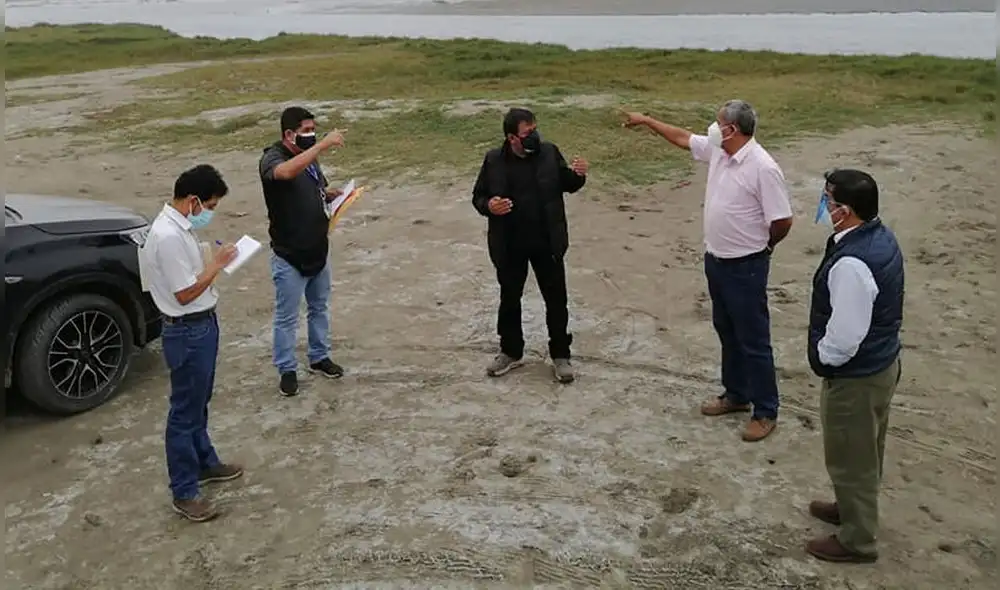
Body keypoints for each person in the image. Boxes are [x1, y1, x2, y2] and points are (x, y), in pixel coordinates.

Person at [623, 100, 793, 442]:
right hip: (716, 260)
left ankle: (765, 411)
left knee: (753, 339)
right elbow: (682, 138)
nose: (712, 128)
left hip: (746, 266)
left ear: (732, 129)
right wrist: (647, 121)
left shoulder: (763, 168)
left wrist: (764, 247)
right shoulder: (719, 150)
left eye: (717, 123)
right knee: (727, 330)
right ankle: (736, 394)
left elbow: (782, 221)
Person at [804, 169, 904, 564]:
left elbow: (845, 338)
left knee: (851, 457)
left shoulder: (852, 263)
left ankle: (857, 540)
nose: (824, 205)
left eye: (828, 199)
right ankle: (849, 507)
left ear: (844, 210)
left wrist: (822, 358)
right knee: (866, 450)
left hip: (856, 377)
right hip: (881, 364)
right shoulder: (879, 237)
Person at [139, 164, 243, 522]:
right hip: (187, 330)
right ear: (193, 200)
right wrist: (217, 265)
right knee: (184, 411)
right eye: (209, 206)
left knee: (199, 401)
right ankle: (184, 491)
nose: (209, 213)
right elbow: (184, 293)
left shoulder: (180, 228)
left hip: (202, 325)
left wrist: (212, 261)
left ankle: (205, 462)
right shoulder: (167, 235)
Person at [472, 108, 589, 383]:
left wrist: (579, 174)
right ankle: (510, 351)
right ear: (512, 138)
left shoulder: (549, 153)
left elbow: (568, 183)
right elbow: (478, 197)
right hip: (509, 244)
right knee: (510, 299)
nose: (534, 136)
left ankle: (560, 355)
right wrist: (490, 206)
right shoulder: (493, 160)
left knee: (556, 300)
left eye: (535, 129)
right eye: (527, 132)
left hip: (547, 242)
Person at [259, 106, 348, 396]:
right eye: (306, 131)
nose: (312, 136)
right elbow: (285, 173)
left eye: (313, 131)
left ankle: (319, 356)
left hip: (317, 249)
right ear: (289, 134)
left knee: (319, 307)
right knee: (287, 317)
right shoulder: (273, 158)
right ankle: (286, 369)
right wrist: (321, 145)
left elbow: (313, 184)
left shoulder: (309, 159)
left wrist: (327, 194)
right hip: (289, 255)